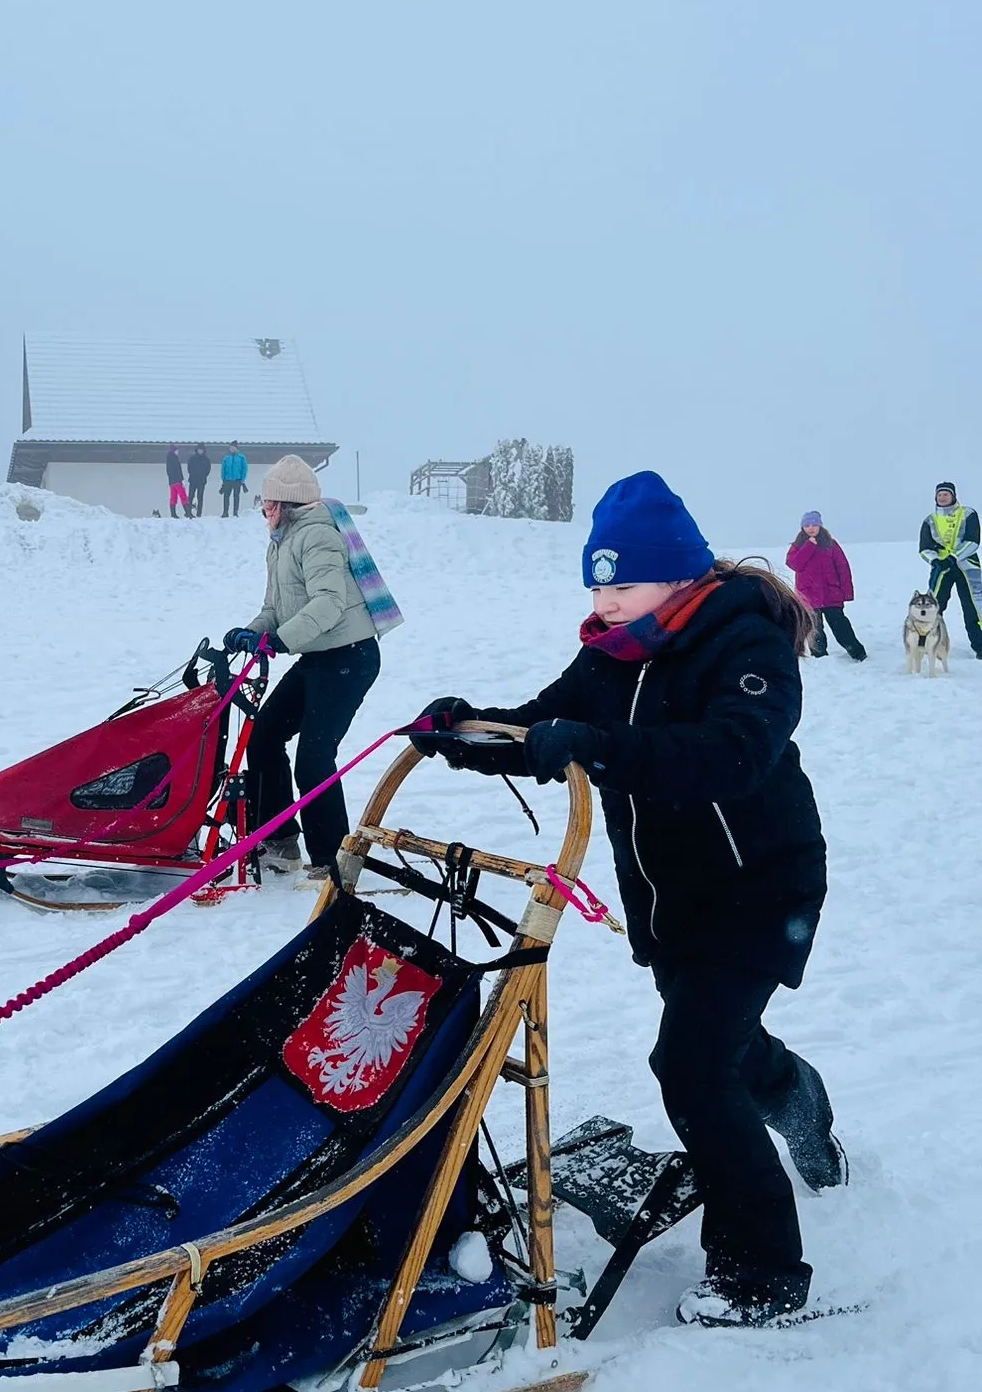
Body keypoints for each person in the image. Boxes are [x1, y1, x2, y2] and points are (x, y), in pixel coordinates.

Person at [412, 470, 846, 1329]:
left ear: (683, 576)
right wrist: (466, 732)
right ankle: (794, 1095)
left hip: (760, 889)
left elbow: (731, 755)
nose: (606, 601)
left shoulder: (743, 641)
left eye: (624, 583)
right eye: (597, 584)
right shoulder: (610, 655)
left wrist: (598, 746)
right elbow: (550, 726)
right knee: (721, 1046)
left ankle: (761, 1272)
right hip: (670, 897)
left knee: (688, 1066)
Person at [224, 456, 397, 879]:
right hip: (319, 653)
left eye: (267, 506)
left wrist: (282, 640)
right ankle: (280, 842)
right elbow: (274, 608)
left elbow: (329, 602)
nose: (264, 514)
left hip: (349, 657)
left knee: (314, 758)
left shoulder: (317, 535)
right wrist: (251, 633)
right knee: (263, 736)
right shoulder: (281, 541)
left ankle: (333, 860)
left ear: (284, 505)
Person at [786, 511, 865, 661]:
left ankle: (858, 653)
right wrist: (809, 546)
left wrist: (846, 592)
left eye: (814, 524)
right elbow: (794, 564)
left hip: (831, 594)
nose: (811, 528)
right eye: (807, 525)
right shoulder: (798, 546)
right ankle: (819, 656)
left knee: (841, 626)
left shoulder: (830, 544)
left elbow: (843, 568)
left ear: (820, 526)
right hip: (808, 596)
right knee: (815, 630)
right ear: (802, 527)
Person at [919, 480, 982, 658]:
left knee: (973, 606)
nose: (943, 497)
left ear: (953, 496)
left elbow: (973, 541)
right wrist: (936, 561)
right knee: (934, 606)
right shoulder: (929, 520)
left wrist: (954, 557)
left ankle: (980, 645)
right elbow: (924, 548)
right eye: (940, 495)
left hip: (967, 567)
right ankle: (931, 643)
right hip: (942, 569)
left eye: (946, 494)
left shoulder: (968, 514)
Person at [219, 443, 248, 517]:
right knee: (226, 496)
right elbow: (223, 469)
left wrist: (242, 479)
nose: (231, 449)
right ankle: (225, 512)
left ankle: (235, 512)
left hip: (237, 480)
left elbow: (244, 469)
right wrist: (223, 478)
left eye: (233, 448)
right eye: (230, 448)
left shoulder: (241, 457)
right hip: (227, 480)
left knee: (236, 496)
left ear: (236, 448)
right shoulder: (226, 457)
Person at [164, 446, 190, 520]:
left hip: (171, 481)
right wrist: (181, 479)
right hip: (177, 480)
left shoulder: (168, 459)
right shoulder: (174, 458)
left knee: (173, 497)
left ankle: (173, 513)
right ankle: (188, 512)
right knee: (183, 496)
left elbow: (168, 471)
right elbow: (178, 470)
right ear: (174, 451)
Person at [187, 445, 212, 517]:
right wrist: (192, 474)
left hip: (202, 481)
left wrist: (204, 476)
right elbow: (189, 468)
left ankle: (199, 513)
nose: (200, 451)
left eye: (202, 450)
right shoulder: (192, 458)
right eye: (199, 449)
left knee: (200, 497)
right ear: (197, 450)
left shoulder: (206, 459)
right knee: (190, 496)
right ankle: (188, 512)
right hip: (193, 480)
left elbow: (208, 469)